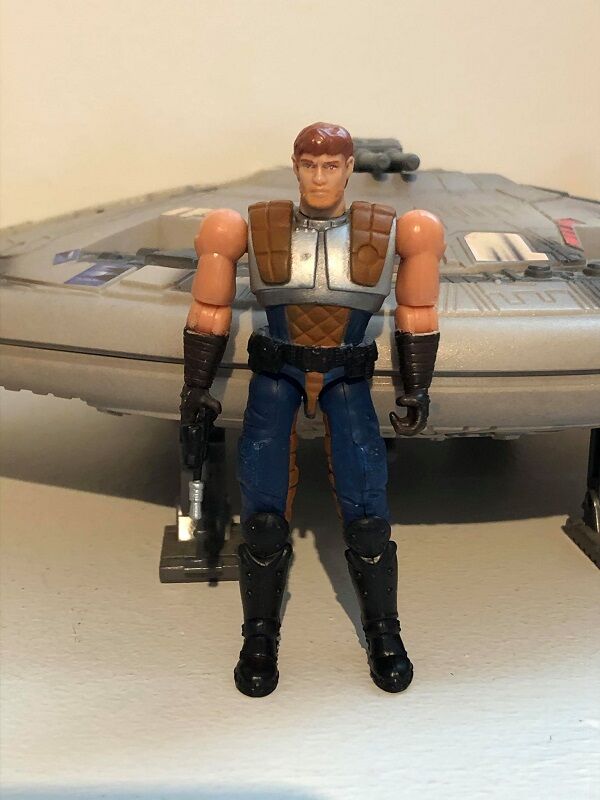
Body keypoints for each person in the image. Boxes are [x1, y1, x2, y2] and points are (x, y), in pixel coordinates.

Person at [180, 122, 445, 697]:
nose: (320, 177)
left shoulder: (400, 229)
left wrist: (416, 386)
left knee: (369, 517)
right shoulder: (246, 226)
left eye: (330, 166)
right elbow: (209, 307)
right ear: (295, 166)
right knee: (262, 517)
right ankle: (258, 635)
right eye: (309, 165)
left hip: (349, 377)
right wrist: (195, 387)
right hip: (276, 374)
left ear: (349, 168)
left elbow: (419, 310)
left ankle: (384, 632)